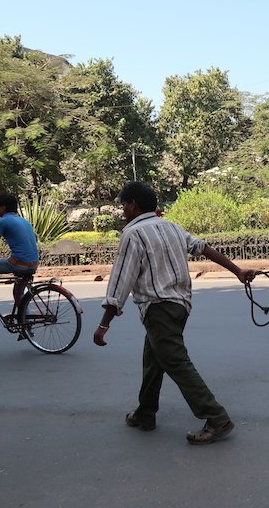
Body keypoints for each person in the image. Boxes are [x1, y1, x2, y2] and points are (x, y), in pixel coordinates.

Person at [93, 182, 256, 445]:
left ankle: (217, 418)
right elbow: (202, 247)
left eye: (124, 204)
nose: (123, 210)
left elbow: (120, 283)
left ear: (133, 204)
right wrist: (237, 271)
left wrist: (103, 325)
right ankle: (145, 413)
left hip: (158, 308)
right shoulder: (171, 226)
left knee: (176, 363)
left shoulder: (133, 234)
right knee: (154, 360)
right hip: (180, 306)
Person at [0, 194, 39, 317]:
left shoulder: (1, 222)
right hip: (33, 264)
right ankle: (25, 323)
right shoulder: (24, 221)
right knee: (18, 293)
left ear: (3, 208)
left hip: (19, 264)